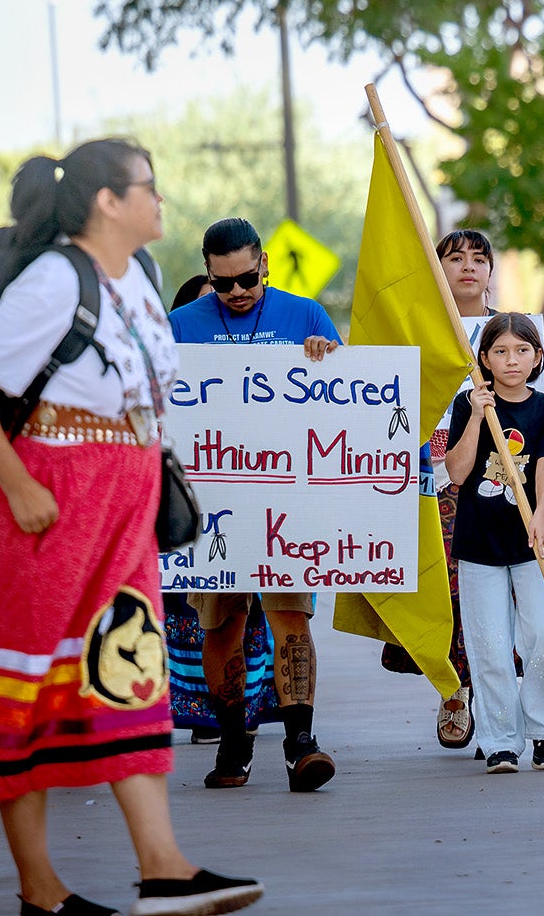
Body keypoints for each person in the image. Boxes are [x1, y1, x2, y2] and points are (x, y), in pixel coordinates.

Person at [0, 140, 261, 916]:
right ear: (108, 201)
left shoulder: (144, 279)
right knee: (23, 691)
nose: (160, 200)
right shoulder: (57, 277)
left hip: (121, 507)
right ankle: (41, 893)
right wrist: (11, 486)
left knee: (129, 670)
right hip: (43, 506)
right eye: (148, 187)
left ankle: (164, 869)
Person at [169, 218, 340, 794]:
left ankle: (301, 743)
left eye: (246, 277)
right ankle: (235, 738)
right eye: (223, 283)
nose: (237, 291)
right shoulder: (179, 326)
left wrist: (328, 356)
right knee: (224, 623)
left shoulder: (306, 314)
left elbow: (347, 395)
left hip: (287, 498)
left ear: (263, 262)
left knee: (292, 615)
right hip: (210, 501)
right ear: (208, 274)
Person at [423, 229, 544, 751]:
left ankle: (520, 721)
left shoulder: (513, 333)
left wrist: (541, 508)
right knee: (455, 603)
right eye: (454, 258)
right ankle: (456, 694)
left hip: (511, 487)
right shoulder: (417, 330)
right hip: (432, 481)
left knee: (528, 618)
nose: (467, 267)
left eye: (479, 259)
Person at [443, 314, 544, 774]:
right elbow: (458, 473)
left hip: (530, 540)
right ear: (484, 358)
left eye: (521, 351)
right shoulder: (469, 404)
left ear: (537, 356)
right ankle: (500, 739)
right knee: (489, 643)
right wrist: (477, 414)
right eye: (500, 351)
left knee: (541, 635)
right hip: (478, 543)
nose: (511, 360)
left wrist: (540, 516)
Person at [158, 274, 279, 751]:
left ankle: (246, 713)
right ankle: (209, 717)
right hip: (195, 518)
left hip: (260, 505)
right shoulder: (173, 348)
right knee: (202, 625)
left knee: (255, 624)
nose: (227, 303)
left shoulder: (277, 337)